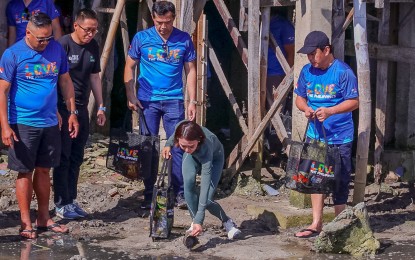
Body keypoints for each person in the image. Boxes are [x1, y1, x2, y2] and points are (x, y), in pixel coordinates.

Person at [0, 12, 79, 239]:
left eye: (49, 38)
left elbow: (64, 81)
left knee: (44, 169)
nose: (45, 43)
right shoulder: (13, 54)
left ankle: (43, 217)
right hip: (23, 122)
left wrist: (72, 113)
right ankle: (26, 221)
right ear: (28, 33)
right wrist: (5, 126)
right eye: (40, 39)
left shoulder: (55, 50)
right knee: (25, 171)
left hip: (50, 122)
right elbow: (2, 91)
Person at [124, 1, 197, 210]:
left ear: (173, 18)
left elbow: (191, 70)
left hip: (174, 99)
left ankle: (179, 193)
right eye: (158, 22)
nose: (163, 27)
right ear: (153, 18)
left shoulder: (183, 39)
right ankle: (149, 193)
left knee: (178, 145)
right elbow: (129, 67)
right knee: (149, 146)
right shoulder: (142, 39)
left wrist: (191, 100)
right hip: (148, 100)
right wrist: (131, 94)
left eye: (167, 22)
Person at [293, 31, 359, 238]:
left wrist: (330, 111)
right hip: (315, 136)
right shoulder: (306, 72)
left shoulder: (343, 72)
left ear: (327, 50)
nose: (311, 59)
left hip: (340, 137)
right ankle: (316, 223)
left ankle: (340, 225)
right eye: (308, 55)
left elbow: (354, 102)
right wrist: (305, 109)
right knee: (316, 178)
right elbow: (299, 98)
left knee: (339, 179)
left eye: (314, 54)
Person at [52, 8, 105, 220]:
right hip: (63, 109)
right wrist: (58, 110)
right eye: (87, 30)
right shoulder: (63, 45)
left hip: (82, 108)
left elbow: (94, 77)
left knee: (77, 156)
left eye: (94, 30)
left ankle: (71, 200)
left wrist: (101, 105)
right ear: (76, 25)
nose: (90, 34)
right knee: (63, 156)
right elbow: (54, 79)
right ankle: (61, 203)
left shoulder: (93, 46)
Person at [162, 120, 241, 239]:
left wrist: (200, 218)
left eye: (191, 146)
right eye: (183, 146)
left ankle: (227, 221)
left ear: (198, 140)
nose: (187, 150)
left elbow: (205, 184)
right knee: (188, 185)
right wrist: (168, 144)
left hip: (213, 159)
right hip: (193, 158)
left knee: (207, 198)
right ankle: (194, 224)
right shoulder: (182, 128)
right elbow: (174, 136)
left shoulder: (206, 145)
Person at [264, 8, 295, 159]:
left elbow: (292, 54)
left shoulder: (283, 25)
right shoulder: (262, 23)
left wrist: (286, 79)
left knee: (276, 111)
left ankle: (275, 150)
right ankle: (268, 148)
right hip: (262, 73)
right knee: (264, 111)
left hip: (277, 74)